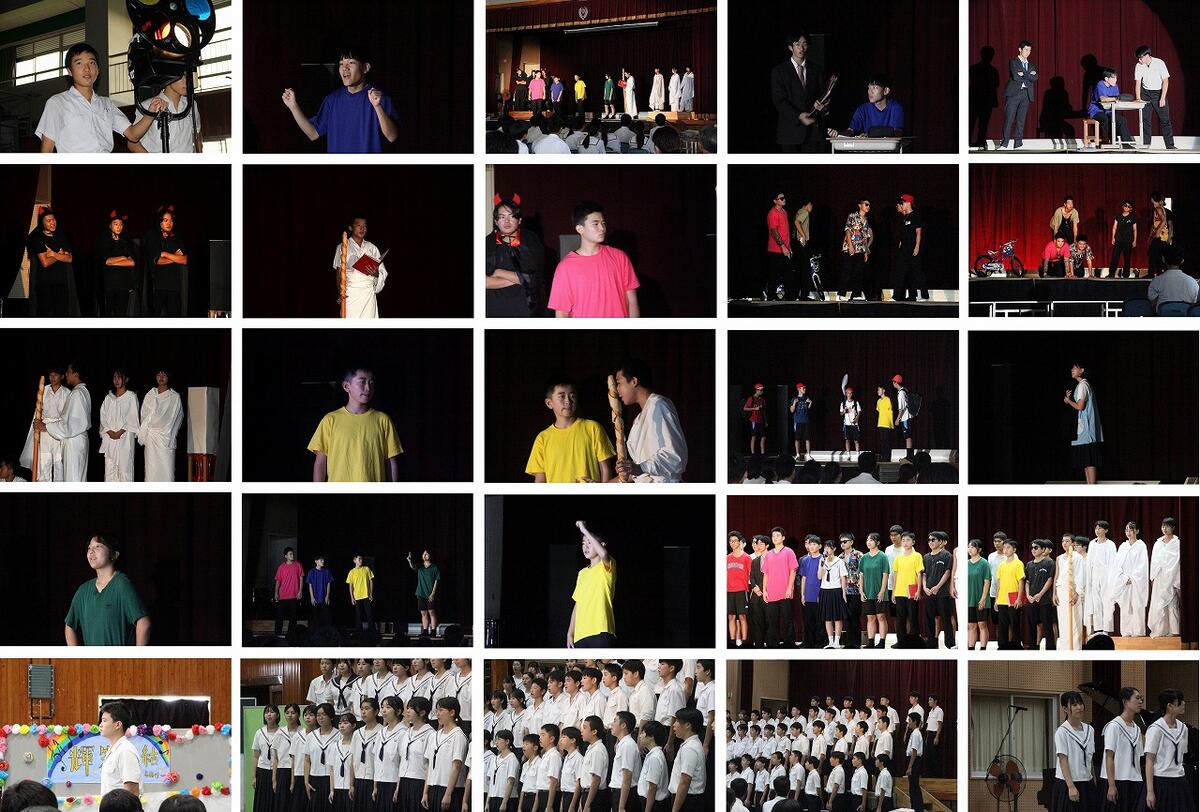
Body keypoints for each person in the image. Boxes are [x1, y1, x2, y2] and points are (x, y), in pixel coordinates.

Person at [36, 43, 158, 153]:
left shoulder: (106, 104)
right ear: (69, 71)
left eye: (92, 63)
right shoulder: (57, 102)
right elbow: (47, 149)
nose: (87, 69)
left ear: (98, 71)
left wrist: (151, 113)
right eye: (79, 63)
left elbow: (132, 135)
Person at [282, 46, 398, 153]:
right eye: (341, 63)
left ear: (365, 68)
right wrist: (293, 106)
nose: (344, 68)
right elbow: (313, 134)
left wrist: (377, 106)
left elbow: (392, 136)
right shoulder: (332, 99)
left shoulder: (380, 98)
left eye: (351, 62)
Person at [308, 367, 403, 482]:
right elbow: (320, 461)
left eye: (371, 383)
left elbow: (390, 460)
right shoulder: (330, 420)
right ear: (346, 386)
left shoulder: (383, 420)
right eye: (362, 382)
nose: (368, 388)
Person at [548, 202, 640, 318]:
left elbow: (632, 301)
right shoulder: (565, 267)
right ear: (580, 228)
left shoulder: (619, 257)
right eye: (595, 224)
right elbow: (561, 313)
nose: (602, 228)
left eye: (603, 223)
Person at [525, 376, 616, 483]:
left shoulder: (593, 428)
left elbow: (606, 469)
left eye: (572, 396)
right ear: (549, 403)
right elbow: (540, 479)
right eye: (561, 396)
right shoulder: (542, 438)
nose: (568, 401)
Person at [64, 534, 149, 646]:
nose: (91, 551)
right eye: (89, 548)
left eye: (98, 546)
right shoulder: (83, 590)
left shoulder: (121, 584)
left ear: (114, 554)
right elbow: (69, 626)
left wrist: (139, 656)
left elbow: (144, 623)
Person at [614, 359, 689, 483]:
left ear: (634, 381)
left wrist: (640, 468)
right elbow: (635, 474)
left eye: (619, 383)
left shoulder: (659, 405)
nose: (617, 389)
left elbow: (674, 456)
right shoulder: (638, 420)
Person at [486, 194, 546, 318]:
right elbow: (483, 282)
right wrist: (520, 278)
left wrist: (498, 272)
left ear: (519, 220)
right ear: (496, 221)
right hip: (494, 311)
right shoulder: (487, 244)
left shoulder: (531, 241)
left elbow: (534, 278)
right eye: (502, 217)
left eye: (512, 216)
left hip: (526, 310)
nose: (507, 221)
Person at [34, 361, 90, 482]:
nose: (67, 374)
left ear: (76, 374)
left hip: (69, 438)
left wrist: (46, 427)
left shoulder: (75, 393)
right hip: (62, 436)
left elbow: (70, 425)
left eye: (68, 372)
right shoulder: (80, 392)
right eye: (51, 375)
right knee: (46, 466)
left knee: (69, 476)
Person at [772, 34, 827, 153]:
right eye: (797, 45)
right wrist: (799, 116)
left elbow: (822, 96)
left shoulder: (816, 70)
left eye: (804, 44)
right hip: (789, 132)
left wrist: (823, 107)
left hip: (813, 133)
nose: (801, 48)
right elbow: (779, 101)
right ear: (790, 47)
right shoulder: (779, 71)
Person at [567, 521, 616, 648]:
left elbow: (604, 554)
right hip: (581, 634)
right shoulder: (582, 573)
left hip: (601, 629)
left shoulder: (607, 566)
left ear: (602, 545)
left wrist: (584, 530)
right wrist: (570, 632)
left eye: (590, 542)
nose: (585, 546)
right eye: (583, 543)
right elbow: (578, 603)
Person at [25, 206, 80, 316]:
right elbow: (45, 262)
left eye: (53, 219)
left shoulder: (60, 236)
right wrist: (60, 254)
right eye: (48, 220)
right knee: (45, 315)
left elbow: (69, 258)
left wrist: (54, 254)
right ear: (42, 223)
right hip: (45, 284)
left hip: (61, 283)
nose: (52, 222)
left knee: (62, 314)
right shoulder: (38, 238)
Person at [1144, 689, 1192, 812]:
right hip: (1161, 781)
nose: (1184, 703)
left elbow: (1183, 755)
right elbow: (1149, 761)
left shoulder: (1184, 728)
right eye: (1180, 701)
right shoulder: (1155, 729)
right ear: (1170, 706)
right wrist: (1150, 791)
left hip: (1180, 780)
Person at [20, 366, 69, 482]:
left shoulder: (67, 393)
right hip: (44, 431)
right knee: (44, 463)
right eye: (51, 375)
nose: (52, 377)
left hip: (59, 432)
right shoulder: (43, 390)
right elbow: (38, 412)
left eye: (55, 375)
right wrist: (37, 426)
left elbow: (67, 416)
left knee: (59, 464)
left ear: (62, 376)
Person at [333, 215, 388, 319]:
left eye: (365, 226)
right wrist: (340, 292)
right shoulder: (342, 246)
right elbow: (339, 273)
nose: (362, 229)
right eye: (359, 225)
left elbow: (382, 272)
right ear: (350, 227)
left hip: (368, 293)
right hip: (351, 293)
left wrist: (376, 274)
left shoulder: (372, 248)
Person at [132, 74, 202, 153]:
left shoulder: (191, 105)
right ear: (168, 77)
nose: (187, 81)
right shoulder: (148, 106)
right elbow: (132, 143)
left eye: (188, 76)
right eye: (182, 76)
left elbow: (197, 133)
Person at [1052, 691, 1097, 812]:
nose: (1079, 707)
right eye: (1074, 705)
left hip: (1087, 783)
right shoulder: (1062, 731)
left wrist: (1093, 781)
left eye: (1080, 704)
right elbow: (1063, 760)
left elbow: (1090, 759)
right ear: (1065, 709)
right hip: (1068, 784)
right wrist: (1071, 787)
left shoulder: (1090, 730)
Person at [1101, 688, 1145, 811]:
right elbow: (1109, 757)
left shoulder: (1137, 729)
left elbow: (1138, 756)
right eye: (1137, 698)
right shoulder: (1114, 726)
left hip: (1135, 780)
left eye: (1141, 698)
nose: (1140, 701)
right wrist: (1111, 785)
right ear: (1125, 702)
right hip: (1117, 780)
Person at [141, 205, 188, 317]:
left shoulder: (176, 238)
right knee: (154, 319)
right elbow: (156, 261)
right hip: (157, 287)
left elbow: (184, 260)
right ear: (159, 222)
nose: (169, 223)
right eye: (166, 220)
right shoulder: (152, 236)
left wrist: (165, 254)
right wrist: (175, 257)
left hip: (174, 287)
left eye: (171, 220)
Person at [137, 367, 183, 481]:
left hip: (166, 438)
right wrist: (151, 426)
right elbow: (144, 416)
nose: (161, 377)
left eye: (164, 375)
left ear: (168, 377)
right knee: (151, 471)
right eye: (159, 375)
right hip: (151, 437)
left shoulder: (174, 397)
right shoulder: (150, 394)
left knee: (167, 471)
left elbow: (176, 418)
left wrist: (166, 431)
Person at [1106, 522, 1148, 637]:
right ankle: (1126, 632)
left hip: (1136, 582)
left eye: (1131, 530)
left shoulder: (1141, 546)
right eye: (1127, 530)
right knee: (1125, 606)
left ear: (1137, 531)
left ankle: (1138, 632)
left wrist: (1132, 578)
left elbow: (1142, 565)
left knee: (1136, 605)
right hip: (1123, 581)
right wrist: (1123, 578)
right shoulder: (1123, 546)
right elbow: (1117, 564)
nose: (1128, 533)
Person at [1064, 361, 1102, 485]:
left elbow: (1080, 406)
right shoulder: (1081, 385)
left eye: (1075, 368)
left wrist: (1069, 401)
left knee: (1089, 461)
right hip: (1084, 430)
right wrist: (1069, 399)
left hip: (1086, 431)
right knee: (1086, 461)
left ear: (1082, 370)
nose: (1072, 370)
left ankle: (1092, 488)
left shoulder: (1083, 385)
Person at [831, 75, 905, 139]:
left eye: (875, 88)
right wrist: (838, 134)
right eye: (869, 88)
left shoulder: (896, 108)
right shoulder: (862, 109)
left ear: (886, 91)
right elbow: (851, 130)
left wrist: (871, 134)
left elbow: (898, 132)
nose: (870, 92)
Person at [98, 369, 139, 482]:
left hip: (124, 439)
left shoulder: (131, 397)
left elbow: (133, 417)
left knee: (125, 471)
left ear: (126, 379)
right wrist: (109, 431)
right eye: (114, 377)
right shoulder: (109, 398)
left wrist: (119, 432)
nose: (116, 380)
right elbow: (103, 417)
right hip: (110, 438)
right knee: (109, 471)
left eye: (119, 377)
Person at [95, 210, 138, 317]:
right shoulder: (103, 241)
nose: (119, 227)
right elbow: (106, 261)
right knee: (107, 315)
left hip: (123, 285)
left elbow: (132, 262)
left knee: (121, 315)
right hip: (108, 285)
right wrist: (122, 258)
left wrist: (113, 261)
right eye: (116, 224)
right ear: (110, 225)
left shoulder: (127, 242)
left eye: (121, 224)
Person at [762, 527, 799, 648]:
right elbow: (766, 573)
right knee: (772, 620)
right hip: (771, 592)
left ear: (783, 538)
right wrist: (764, 590)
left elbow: (793, 571)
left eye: (777, 535)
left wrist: (789, 588)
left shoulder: (789, 552)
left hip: (785, 591)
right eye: (773, 536)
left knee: (788, 619)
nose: (775, 538)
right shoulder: (768, 554)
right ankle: (773, 643)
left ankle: (789, 643)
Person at [999, 40, 1038, 149]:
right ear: (1020, 49)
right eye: (1026, 49)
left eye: (1029, 50)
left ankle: (1018, 143)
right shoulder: (1013, 62)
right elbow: (1016, 77)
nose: (1028, 52)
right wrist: (1029, 75)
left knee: (1021, 120)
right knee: (1009, 119)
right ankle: (1004, 144)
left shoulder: (1031, 65)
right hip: (1014, 94)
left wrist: (1023, 73)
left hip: (1026, 94)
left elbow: (1035, 77)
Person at [1134, 45, 1175, 149]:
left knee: (1165, 120)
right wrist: (1138, 98)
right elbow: (1138, 83)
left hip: (1158, 93)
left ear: (1147, 56)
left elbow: (1165, 81)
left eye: (1140, 58)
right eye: (1138, 58)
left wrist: (1162, 98)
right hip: (1145, 93)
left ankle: (1170, 145)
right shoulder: (1138, 66)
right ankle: (1146, 145)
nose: (1139, 60)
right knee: (1145, 120)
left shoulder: (1159, 63)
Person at [1148, 517, 1181, 637]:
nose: (1164, 529)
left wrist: (1176, 579)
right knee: (1159, 604)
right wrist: (1153, 577)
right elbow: (1154, 561)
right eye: (1163, 526)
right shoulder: (1158, 543)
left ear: (1173, 527)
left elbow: (1177, 562)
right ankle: (1161, 630)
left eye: (1167, 526)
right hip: (1160, 578)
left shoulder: (1177, 543)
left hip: (1172, 577)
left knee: (1172, 604)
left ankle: (1174, 630)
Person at [98, 702, 141, 796]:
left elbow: (132, 792)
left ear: (117, 725)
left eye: (104, 721)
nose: (100, 725)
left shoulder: (125, 751)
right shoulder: (113, 750)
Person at [1052, 535, 1086, 650]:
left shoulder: (1078, 557)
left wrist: (1077, 592)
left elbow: (1080, 576)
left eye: (1067, 541)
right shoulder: (1059, 558)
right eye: (1063, 541)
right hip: (1061, 591)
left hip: (1073, 590)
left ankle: (1075, 648)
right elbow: (1057, 576)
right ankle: (1065, 648)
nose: (1064, 543)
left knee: (1074, 620)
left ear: (1072, 543)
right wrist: (1054, 593)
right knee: (1063, 621)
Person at [670, 709, 707, 812]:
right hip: (688, 798)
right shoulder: (691, 744)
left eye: (677, 721)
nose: (673, 725)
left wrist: (675, 810)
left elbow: (685, 781)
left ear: (688, 725)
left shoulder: (690, 748)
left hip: (688, 800)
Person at [921, 532, 954, 649]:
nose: (930, 542)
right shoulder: (925, 557)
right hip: (929, 593)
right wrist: (924, 587)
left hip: (942, 593)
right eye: (929, 540)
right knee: (929, 619)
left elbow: (947, 572)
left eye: (933, 540)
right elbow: (924, 574)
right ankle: (931, 643)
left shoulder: (946, 555)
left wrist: (938, 586)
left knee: (946, 619)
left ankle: (950, 644)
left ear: (940, 542)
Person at [1085, 522, 1118, 635]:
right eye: (1096, 528)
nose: (1097, 530)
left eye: (1100, 528)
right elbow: (1089, 562)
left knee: (1107, 602)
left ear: (1106, 530)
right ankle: (1098, 628)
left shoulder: (1110, 544)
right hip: (1095, 575)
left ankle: (1107, 629)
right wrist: (1089, 578)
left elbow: (1113, 563)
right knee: (1096, 602)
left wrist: (1111, 579)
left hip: (1106, 576)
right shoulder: (1092, 544)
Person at [1023, 540, 1056, 650]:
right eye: (1032, 548)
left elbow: (1050, 580)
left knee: (1047, 626)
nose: (1033, 550)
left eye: (1036, 547)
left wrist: (1040, 594)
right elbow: (1027, 582)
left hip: (1044, 600)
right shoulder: (1029, 564)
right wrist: (1028, 595)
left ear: (1043, 549)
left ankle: (1050, 649)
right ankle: (1033, 648)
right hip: (1031, 600)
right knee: (1032, 626)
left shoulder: (1049, 563)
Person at [252, 705, 286, 812]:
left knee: (276, 801)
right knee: (262, 801)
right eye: (267, 712)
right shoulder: (259, 733)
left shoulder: (283, 733)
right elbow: (256, 756)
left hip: (278, 771)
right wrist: (254, 776)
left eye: (272, 712)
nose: (269, 714)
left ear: (278, 715)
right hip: (262, 771)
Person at [892, 195, 924, 303]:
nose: (901, 205)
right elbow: (903, 233)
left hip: (912, 248)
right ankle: (896, 296)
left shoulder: (915, 215)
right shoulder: (904, 217)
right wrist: (900, 243)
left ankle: (915, 296)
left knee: (914, 272)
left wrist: (917, 246)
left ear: (909, 203)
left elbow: (918, 232)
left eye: (903, 203)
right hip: (903, 249)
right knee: (900, 271)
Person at [1087, 68, 1132, 145]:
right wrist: (1116, 98)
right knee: (1106, 119)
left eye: (1116, 78)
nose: (1115, 80)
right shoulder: (1100, 85)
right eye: (1113, 78)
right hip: (1096, 111)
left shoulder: (1115, 86)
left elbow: (1117, 99)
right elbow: (1103, 99)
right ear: (1106, 79)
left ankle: (1127, 143)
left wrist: (1119, 99)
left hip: (1109, 111)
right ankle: (1112, 141)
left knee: (1122, 120)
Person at [817, 540, 849, 649]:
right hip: (825, 590)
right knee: (827, 617)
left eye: (829, 547)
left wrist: (843, 591)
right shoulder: (822, 560)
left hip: (836, 590)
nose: (826, 549)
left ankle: (837, 642)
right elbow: (819, 576)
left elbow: (843, 577)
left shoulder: (839, 561)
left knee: (837, 617)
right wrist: (822, 564)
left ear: (834, 549)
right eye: (825, 547)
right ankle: (830, 641)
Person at [1147, 244, 1197, 311]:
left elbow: (1153, 306)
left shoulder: (1156, 281)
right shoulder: (1193, 282)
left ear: (1163, 259)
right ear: (1182, 261)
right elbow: (1194, 306)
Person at [994, 538, 1025, 648]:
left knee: (1014, 623)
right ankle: (1002, 645)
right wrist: (996, 599)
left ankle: (1017, 645)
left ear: (1014, 550)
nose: (1005, 550)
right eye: (1004, 548)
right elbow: (998, 583)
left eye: (1008, 547)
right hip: (1002, 598)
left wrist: (1019, 598)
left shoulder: (1018, 563)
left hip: (1013, 597)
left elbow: (1021, 582)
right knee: (1002, 624)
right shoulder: (1001, 565)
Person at [841, 200, 872, 301]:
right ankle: (842, 294)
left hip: (861, 249)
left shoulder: (866, 220)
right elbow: (847, 230)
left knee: (858, 273)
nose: (868, 206)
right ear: (860, 205)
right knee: (847, 271)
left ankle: (856, 294)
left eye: (869, 205)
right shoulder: (852, 216)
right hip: (850, 248)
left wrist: (866, 251)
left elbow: (865, 237)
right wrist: (850, 245)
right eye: (866, 204)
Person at [766, 192, 795, 301]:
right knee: (775, 274)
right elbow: (774, 231)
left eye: (784, 198)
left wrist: (788, 247)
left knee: (788, 273)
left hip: (785, 249)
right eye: (781, 198)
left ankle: (790, 296)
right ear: (775, 201)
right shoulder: (772, 213)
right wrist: (782, 246)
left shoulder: (784, 212)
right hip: (776, 250)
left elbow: (785, 231)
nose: (784, 199)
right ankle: (770, 297)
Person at [407, 550, 440, 638]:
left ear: (430, 556)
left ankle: (433, 631)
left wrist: (433, 594)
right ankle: (425, 631)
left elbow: (436, 581)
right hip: (420, 593)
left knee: (431, 612)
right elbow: (413, 567)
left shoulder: (434, 568)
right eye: (424, 554)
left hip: (430, 593)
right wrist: (409, 561)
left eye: (427, 554)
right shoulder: (420, 566)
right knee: (423, 613)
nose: (425, 555)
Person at [273, 547, 304, 639]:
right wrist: (276, 593)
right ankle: (277, 634)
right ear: (285, 556)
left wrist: (300, 591)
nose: (292, 555)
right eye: (290, 554)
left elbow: (301, 579)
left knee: (293, 617)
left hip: (294, 595)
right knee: (279, 616)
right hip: (283, 595)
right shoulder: (281, 567)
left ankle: (291, 635)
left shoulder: (298, 565)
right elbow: (278, 581)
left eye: (292, 554)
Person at [965, 540, 991, 650]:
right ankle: (971, 648)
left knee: (982, 624)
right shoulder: (966, 564)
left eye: (972, 547)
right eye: (968, 547)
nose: (969, 549)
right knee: (971, 625)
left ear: (979, 549)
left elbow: (987, 581)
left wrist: (983, 599)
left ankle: (983, 648)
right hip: (969, 599)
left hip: (981, 598)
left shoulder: (984, 563)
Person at [346, 554, 375, 636]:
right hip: (357, 596)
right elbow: (350, 586)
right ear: (354, 561)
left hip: (366, 596)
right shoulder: (352, 572)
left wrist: (370, 594)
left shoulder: (366, 569)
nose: (361, 560)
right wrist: (352, 598)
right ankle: (359, 632)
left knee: (369, 614)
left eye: (361, 559)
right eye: (359, 559)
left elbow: (371, 581)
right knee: (358, 616)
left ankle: (372, 631)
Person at [1110, 201, 1137, 279]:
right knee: (1115, 257)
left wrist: (1134, 240)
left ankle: (1126, 275)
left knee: (1127, 258)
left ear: (1131, 208)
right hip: (1118, 240)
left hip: (1128, 240)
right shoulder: (1118, 216)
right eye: (1125, 205)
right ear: (1123, 206)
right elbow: (1114, 227)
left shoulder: (1132, 217)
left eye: (1128, 206)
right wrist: (1113, 237)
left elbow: (1135, 229)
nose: (1126, 207)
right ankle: (1111, 273)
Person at [306, 556, 334, 630]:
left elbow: (328, 584)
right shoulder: (311, 572)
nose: (323, 561)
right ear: (316, 561)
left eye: (323, 560)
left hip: (324, 599)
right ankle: (317, 633)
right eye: (321, 560)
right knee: (316, 618)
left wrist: (327, 596)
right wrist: (312, 597)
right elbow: (310, 585)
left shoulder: (326, 571)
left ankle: (326, 633)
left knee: (327, 618)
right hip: (315, 599)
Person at [745, 383, 769, 456]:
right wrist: (754, 408)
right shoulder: (751, 398)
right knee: (754, 436)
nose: (762, 391)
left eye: (762, 390)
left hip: (761, 420)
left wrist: (765, 421)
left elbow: (763, 411)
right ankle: (753, 454)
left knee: (763, 437)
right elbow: (745, 408)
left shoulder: (762, 400)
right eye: (760, 390)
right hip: (753, 420)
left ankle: (762, 453)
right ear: (756, 390)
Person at [791, 383, 813, 461]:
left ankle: (808, 454)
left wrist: (810, 403)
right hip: (798, 421)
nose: (805, 389)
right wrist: (794, 403)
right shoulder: (794, 398)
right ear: (799, 389)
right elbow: (792, 410)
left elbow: (808, 409)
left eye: (805, 388)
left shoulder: (806, 398)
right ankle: (797, 454)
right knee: (797, 439)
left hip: (806, 420)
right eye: (803, 388)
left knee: (807, 438)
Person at [840, 385, 862, 453]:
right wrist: (845, 411)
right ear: (846, 394)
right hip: (846, 424)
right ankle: (848, 455)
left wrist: (856, 419)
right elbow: (841, 413)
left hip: (854, 424)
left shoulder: (856, 403)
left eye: (850, 393)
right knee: (847, 440)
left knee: (856, 441)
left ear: (852, 394)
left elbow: (859, 412)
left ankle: (858, 455)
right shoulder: (843, 403)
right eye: (848, 393)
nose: (849, 395)